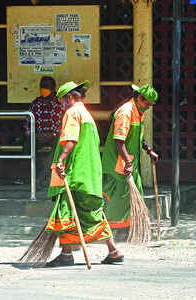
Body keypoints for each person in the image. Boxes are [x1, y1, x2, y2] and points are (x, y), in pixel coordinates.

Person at [43, 80, 123, 267]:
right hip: (89, 173)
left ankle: (67, 255)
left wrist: (61, 160)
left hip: (74, 172)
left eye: (62, 101)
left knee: (66, 210)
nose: (62, 105)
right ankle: (113, 250)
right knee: (91, 211)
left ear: (69, 98)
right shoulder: (86, 114)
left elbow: (70, 140)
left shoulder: (72, 113)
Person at [102, 84, 159, 239]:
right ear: (139, 98)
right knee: (119, 197)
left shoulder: (139, 112)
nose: (147, 108)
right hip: (117, 163)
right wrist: (127, 162)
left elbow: (138, 136)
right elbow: (119, 141)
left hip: (129, 163)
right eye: (146, 104)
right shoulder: (125, 112)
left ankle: (128, 229)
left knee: (135, 195)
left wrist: (149, 150)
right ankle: (109, 230)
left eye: (149, 106)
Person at [22, 76, 63, 189]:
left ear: (54, 88)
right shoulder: (35, 103)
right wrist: (34, 134)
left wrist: (53, 134)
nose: (44, 89)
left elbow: (63, 124)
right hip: (38, 136)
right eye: (42, 86)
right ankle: (33, 176)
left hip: (54, 136)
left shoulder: (59, 104)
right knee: (27, 145)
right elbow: (27, 124)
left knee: (59, 144)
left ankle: (43, 176)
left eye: (47, 86)